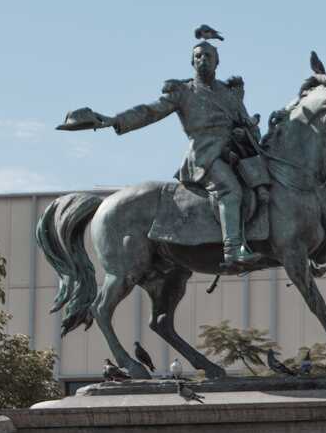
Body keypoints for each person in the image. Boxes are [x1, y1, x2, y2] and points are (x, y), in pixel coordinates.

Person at [100, 39, 267, 270]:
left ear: (217, 62)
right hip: (204, 157)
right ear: (192, 61)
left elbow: (250, 127)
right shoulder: (183, 92)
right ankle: (233, 250)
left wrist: (245, 131)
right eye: (198, 56)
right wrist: (117, 120)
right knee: (230, 189)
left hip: (234, 155)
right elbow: (151, 111)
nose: (203, 60)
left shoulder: (229, 95)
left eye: (208, 56)